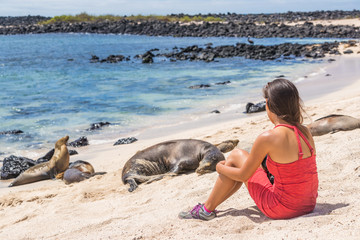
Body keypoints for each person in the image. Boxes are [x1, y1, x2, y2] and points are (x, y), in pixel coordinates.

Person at [179, 78, 318, 220]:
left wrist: (219, 168)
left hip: (282, 209)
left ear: (268, 106)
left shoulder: (268, 137)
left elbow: (243, 176)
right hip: (308, 205)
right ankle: (207, 208)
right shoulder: (304, 131)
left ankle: (206, 209)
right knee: (241, 159)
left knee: (235, 156)